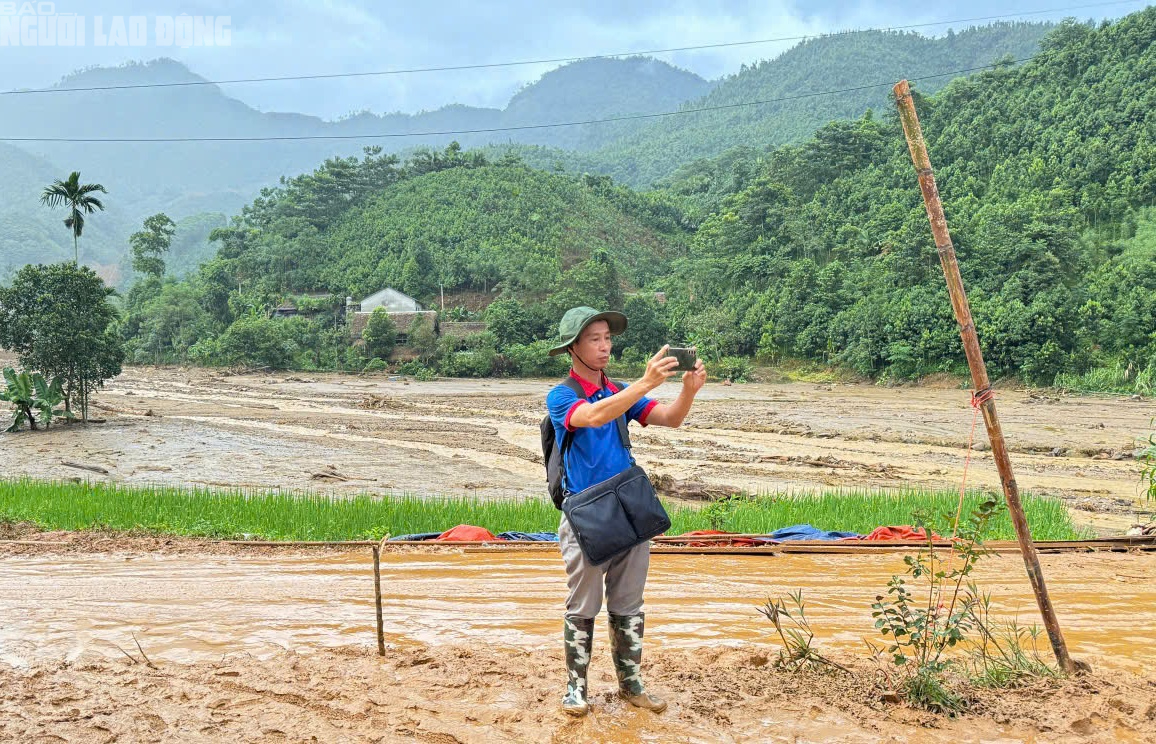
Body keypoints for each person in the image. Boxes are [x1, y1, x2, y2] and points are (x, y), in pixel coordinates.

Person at [545, 306, 706, 717]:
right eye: (595, 339)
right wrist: (645, 383)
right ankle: (576, 689)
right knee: (582, 605)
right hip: (586, 518)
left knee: (629, 603)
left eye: (607, 338)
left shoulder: (616, 389)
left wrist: (688, 390)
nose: (604, 346)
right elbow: (594, 416)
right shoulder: (562, 396)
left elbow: (669, 418)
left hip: (627, 511)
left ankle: (631, 684)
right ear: (573, 348)